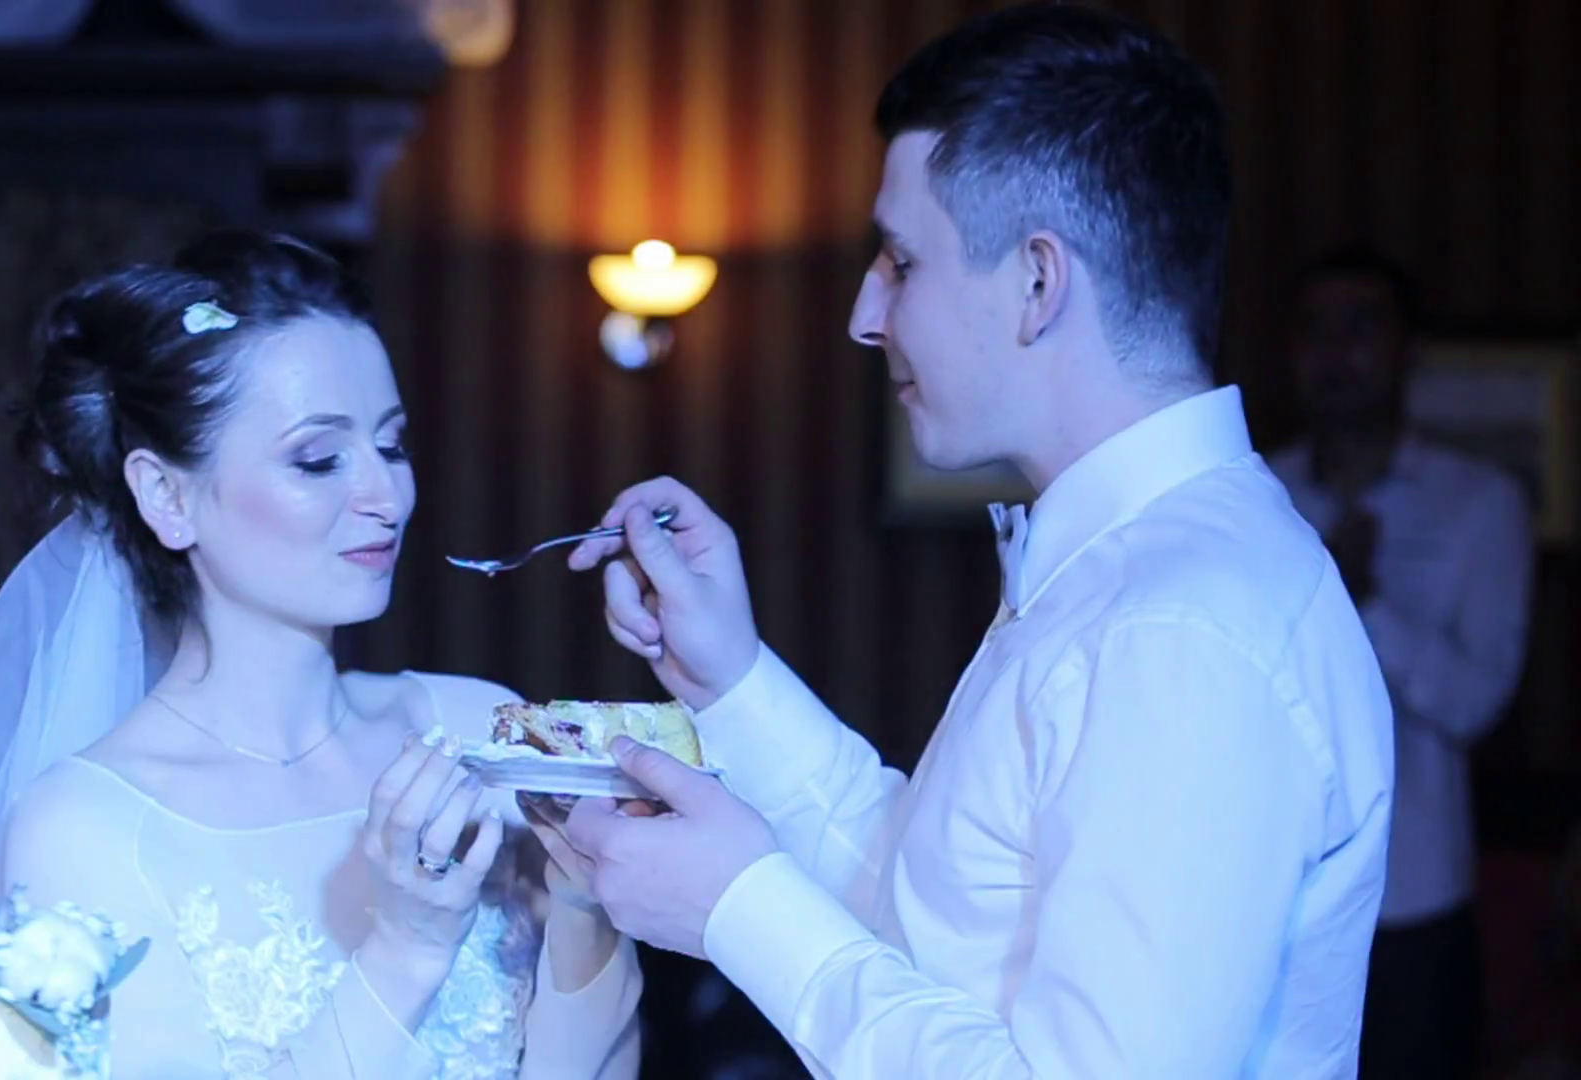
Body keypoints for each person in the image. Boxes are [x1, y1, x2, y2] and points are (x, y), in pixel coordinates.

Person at [555, 4, 1395, 1077]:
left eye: (901, 263)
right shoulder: (1121, 570)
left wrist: (737, 908)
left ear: (1039, 282)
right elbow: (942, 911)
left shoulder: (1180, 626)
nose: (867, 313)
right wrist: (729, 679)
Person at [0, 230, 641, 1079]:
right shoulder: (84, 827)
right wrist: (404, 948)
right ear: (168, 495)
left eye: (392, 444)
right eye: (320, 458)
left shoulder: (479, 727)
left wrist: (588, 903)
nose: (386, 495)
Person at [1268, 248, 1535, 1080]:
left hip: (1414, 899)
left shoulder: (1480, 504)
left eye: (1363, 325)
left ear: (1407, 349)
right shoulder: (1257, 496)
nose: (1336, 351)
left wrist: (1362, 603)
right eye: (1314, 328)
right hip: (1268, 896)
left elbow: (1475, 699)